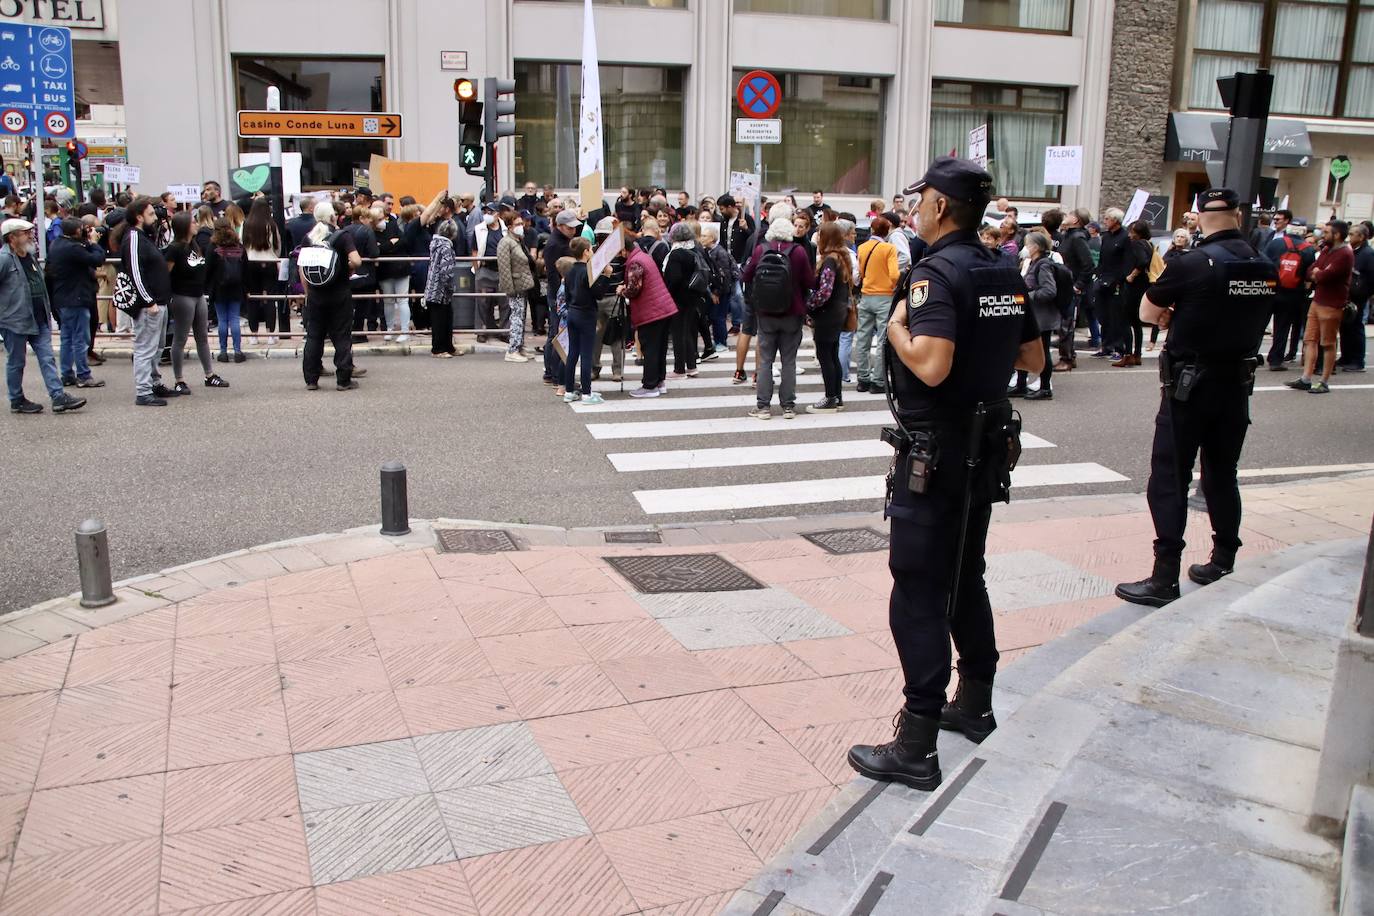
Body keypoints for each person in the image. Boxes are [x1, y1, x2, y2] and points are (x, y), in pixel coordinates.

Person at [846, 158, 1042, 791]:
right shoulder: (1001, 267)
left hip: (936, 451)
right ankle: (975, 701)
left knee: (918, 588)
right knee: (965, 573)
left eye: (923, 196)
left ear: (940, 206)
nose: (917, 205)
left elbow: (930, 365)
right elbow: (1033, 356)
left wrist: (899, 329)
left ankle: (918, 740)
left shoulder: (936, 272)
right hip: (983, 449)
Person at [1115, 187, 1277, 607]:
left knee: (1170, 476)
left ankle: (1164, 575)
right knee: (1222, 472)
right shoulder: (1263, 265)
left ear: (1199, 216)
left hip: (1190, 385)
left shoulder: (1193, 263)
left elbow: (1147, 313)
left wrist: (1176, 313)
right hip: (1237, 382)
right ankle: (1223, 558)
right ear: (1238, 215)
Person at [1, 218, 87, 415]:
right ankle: (16, 399)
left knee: (47, 357)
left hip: (38, 317)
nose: (31, 235)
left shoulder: (29, 256)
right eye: (25, 232)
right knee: (16, 361)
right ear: (12, 237)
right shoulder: (4, 259)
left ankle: (58, 397)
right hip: (14, 320)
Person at [741, 208, 814, 419]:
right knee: (789, 361)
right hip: (793, 312)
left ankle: (763, 406)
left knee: (765, 360)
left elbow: (745, 276)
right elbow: (810, 282)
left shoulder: (761, 250)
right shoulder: (798, 252)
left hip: (765, 313)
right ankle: (788, 406)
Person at [118, 198, 179, 406]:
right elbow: (135, 272)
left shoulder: (144, 237)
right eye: (151, 214)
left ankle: (154, 383)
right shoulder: (133, 238)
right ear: (139, 217)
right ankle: (143, 390)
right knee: (145, 347)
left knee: (157, 347)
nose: (155, 218)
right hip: (149, 304)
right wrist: (148, 300)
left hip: (159, 302)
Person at [300, 202, 362, 391]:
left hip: (316, 294)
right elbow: (356, 260)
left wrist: (307, 293)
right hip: (339, 292)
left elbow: (302, 269)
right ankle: (343, 379)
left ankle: (311, 379)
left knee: (314, 336)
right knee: (342, 335)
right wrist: (348, 269)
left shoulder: (309, 238)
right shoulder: (341, 237)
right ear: (333, 217)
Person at [164, 212, 229, 391]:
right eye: (192, 222)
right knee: (180, 339)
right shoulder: (175, 248)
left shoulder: (195, 245)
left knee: (202, 337)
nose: (196, 224)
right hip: (182, 296)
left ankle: (209, 375)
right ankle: (179, 380)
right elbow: (165, 273)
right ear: (184, 225)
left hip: (198, 295)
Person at [1287, 219, 1353, 395]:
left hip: (1332, 304)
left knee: (1328, 343)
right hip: (1317, 301)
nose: (1322, 235)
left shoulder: (1345, 254)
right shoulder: (1326, 249)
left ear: (1337, 234)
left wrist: (1319, 273)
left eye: (1326, 232)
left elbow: (1325, 275)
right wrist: (1318, 273)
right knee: (1309, 340)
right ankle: (1306, 378)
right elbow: (1311, 271)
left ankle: (1323, 381)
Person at [617, 219, 678, 398]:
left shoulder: (635, 262)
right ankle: (659, 382)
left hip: (652, 311)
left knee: (650, 348)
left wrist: (622, 290)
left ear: (623, 249)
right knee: (659, 348)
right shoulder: (642, 256)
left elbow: (634, 289)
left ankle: (649, 385)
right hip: (662, 308)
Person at [46, 217, 107, 390]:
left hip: (63, 298)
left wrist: (87, 242)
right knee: (80, 338)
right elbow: (97, 259)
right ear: (76, 231)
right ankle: (83, 375)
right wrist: (94, 242)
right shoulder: (72, 248)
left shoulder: (57, 244)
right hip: (76, 298)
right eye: (83, 229)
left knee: (67, 338)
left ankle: (67, 374)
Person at [807, 222, 852, 413]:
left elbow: (824, 291)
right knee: (832, 354)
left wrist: (809, 306)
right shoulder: (842, 257)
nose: (817, 237)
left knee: (825, 355)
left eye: (820, 234)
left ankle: (830, 397)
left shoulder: (829, 261)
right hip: (839, 312)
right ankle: (837, 396)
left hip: (827, 314)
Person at [562, 236, 613, 404]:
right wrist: (606, 275)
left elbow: (567, 295)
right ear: (585, 252)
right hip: (586, 314)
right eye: (590, 249)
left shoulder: (570, 271)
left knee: (572, 353)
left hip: (573, 313)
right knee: (586, 354)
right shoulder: (587, 271)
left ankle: (569, 390)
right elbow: (598, 294)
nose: (592, 251)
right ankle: (586, 393)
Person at [854, 216, 900, 394]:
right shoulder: (889, 249)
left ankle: (862, 378)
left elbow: (858, 273)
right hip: (884, 297)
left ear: (872, 230)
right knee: (881, 340)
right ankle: (878, 381)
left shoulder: (862, 247)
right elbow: (895, 274)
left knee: (863, 338)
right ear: (887, 231)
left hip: (866, 296)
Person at [1008, 232, 1057, 401]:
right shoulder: (1034, 263)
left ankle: (1044, 388)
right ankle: (1021, 385)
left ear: (1036, 247)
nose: (1025, 249)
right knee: (1024, 347)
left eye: (1028, 245)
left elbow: (1049, 290)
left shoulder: (1043, 265)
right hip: (1032, 315)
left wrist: (1028, 296)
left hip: (1042, 316)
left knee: (1042, 350)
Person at [1264, 210, 1314, 369]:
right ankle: (1276, 359)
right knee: (1282, 326)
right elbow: (1308, 274)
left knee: (1260, 323)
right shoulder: (1308, 249)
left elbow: (1264, 263)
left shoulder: (1276, 243)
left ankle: (1250, 355)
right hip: (1292, 293)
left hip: (1270, 289)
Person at [662, 221, 706, 379]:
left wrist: (666, 292)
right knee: (687, 331)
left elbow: (674, 278)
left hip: (678, 298)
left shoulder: (676, 254)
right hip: (693, 296)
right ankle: (691, 366)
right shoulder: (695, 249)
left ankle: (679, 369)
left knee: (678, 332)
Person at [204, 216, 247, 364]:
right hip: (236, 287)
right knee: (234, 319)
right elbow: (245, 268)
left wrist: (207, 286)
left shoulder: (213, 247)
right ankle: (238, 351)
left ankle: (223, 351)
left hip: (218, 288)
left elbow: (207, 269)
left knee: (222, 320)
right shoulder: (239, 246)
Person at [1113, 219, 1156, 368]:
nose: (1130, 235)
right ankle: (1137, 354)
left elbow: (1142, 261)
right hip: (1143, 287)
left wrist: (1131, 275)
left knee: (1125, 320)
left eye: (1132, 232)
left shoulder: (1137, 244)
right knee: (1137, 323)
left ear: (1138, 233)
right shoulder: (1149, 244)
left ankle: (1127, 354)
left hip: (1133, 288)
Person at [241, 199, 284, 345]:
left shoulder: (246, 224)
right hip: (269, 262)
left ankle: (254, 335)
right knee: (269, 298)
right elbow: (278, 246)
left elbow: (243, 244)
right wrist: (274, 256)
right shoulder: (271, 225)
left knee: (252, 298)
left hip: (250, 262)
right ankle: (271, 334)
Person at [496, 211, 536, 362]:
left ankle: (519, 346)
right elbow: (504, 268)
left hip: (523, 285)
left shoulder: (518, 240)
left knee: (521, 317)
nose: (521, 226)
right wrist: (510, 290)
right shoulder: (506, 242)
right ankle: (512, 349)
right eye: (518, 224)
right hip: (516, 287)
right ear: (510, 226)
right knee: (516, 318)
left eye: (521, 223)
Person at [591, 217, 627, 382]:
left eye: (605, 236)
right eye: (599, 236)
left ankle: (617, 370)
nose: (602, 239)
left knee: (617, 337)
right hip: (597, 298)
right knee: (595, 337)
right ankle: (594, 368)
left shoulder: (621, 252)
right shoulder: (591, 250)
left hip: (614, 297)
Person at [1093, 208, 1130, 360]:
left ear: (1115, 220)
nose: (1105, 221)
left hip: (1116, 282)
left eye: (1107, 218)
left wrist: (1120, 280)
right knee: (1103, 315)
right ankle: (1106, 346)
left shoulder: (1125, 237)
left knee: (1116, 316)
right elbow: (1102, 258)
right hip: (1103, 279)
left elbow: (1126, 262)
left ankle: (1118, 348)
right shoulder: (1106, 237)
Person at [1339, 223, 1372, 373]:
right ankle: (1346, 357)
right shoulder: (1352, 251)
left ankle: (1358, 360)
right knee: (1345, 327)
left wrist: (1364, 293)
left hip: (1358, 297)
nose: (1349, 237)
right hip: (1347, 294)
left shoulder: (1367, 254)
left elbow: (1371, 278)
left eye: (1353, 234)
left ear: (1362, 237)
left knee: (1356, 327)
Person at [424, 219, 459, 358]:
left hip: (433, 288)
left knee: (444, 318)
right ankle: (438, 349)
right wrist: (451, 288)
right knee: (441, 320)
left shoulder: (435, 245)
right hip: (441, 291)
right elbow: (447, 272)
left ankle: (448, 347)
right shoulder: (446, 248)